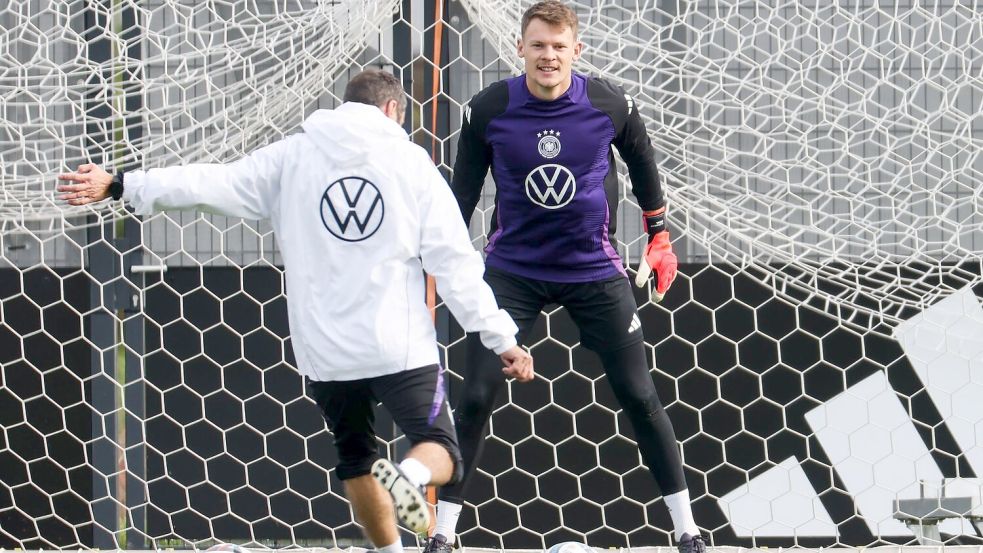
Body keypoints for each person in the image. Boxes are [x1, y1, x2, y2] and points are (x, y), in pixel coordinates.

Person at [57, 69, 533, 553]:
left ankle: (390, 551)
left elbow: (209, 183)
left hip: (326, 354)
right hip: (398, 346)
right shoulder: (412, 165)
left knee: (355, 458)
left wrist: (121, 184)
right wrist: (502, 338)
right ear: (393, 111)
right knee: (443, 450)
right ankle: (408, 474)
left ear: (344, 105)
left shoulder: (292, 156)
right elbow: (455, 266)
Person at [426, 2, 705, 553]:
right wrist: (438, 265)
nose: (547, 56)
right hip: (512, 272)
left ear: (575, 51)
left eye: (558, 46)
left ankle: (687, 531)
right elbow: (460, 195)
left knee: (638, 392)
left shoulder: (608, 103)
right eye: (537, 45)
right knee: (476, 395)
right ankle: (443, 535)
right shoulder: (489, 108)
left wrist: (659, 235)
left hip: (593, 270)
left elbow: (643, 162)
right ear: (521, 49)